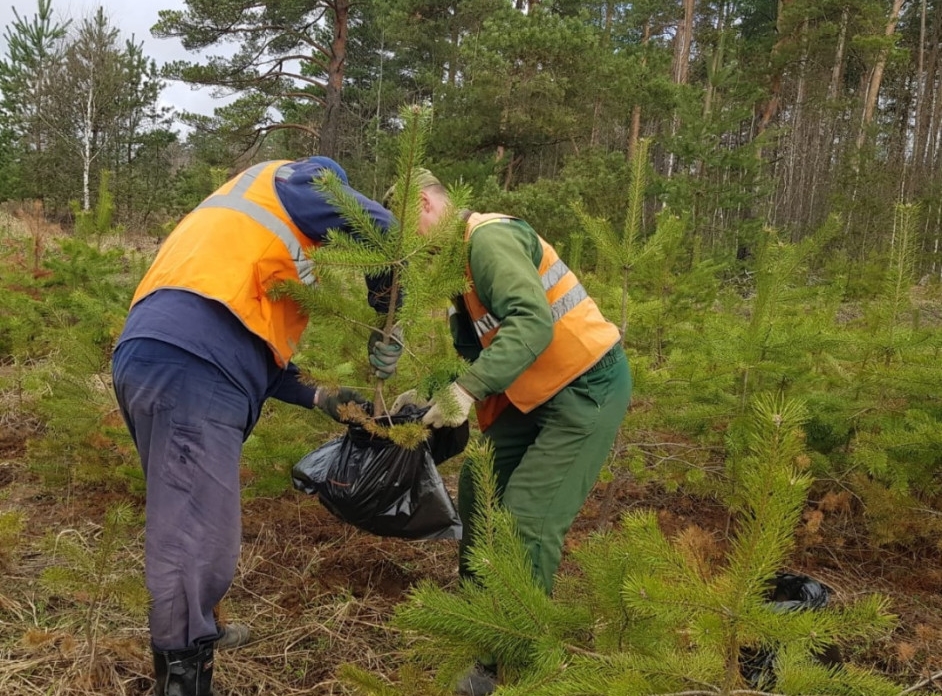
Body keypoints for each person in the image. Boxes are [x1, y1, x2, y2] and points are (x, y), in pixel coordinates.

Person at [111, 156, 403, 696]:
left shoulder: (241, 220)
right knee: (195, 536)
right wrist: (389, 306)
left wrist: (322, 396)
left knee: (191, 514)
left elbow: (246, 340)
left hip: (160, 356)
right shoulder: (300, 180)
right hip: (192, 367)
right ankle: (182, 678)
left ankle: (205, 629)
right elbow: (380, 227)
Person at [399, 170, 632, 695]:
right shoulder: (456, 264)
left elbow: (531, 323)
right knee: (480, 496)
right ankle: (483, 631)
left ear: (425, 207)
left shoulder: (488, 239)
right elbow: (477, 348)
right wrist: (432, 390)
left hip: (585, 389)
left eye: (401, 231)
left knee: (527, 518)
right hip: (529, 393)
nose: (404, 249)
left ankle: (518, 662)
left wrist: (469, 390)